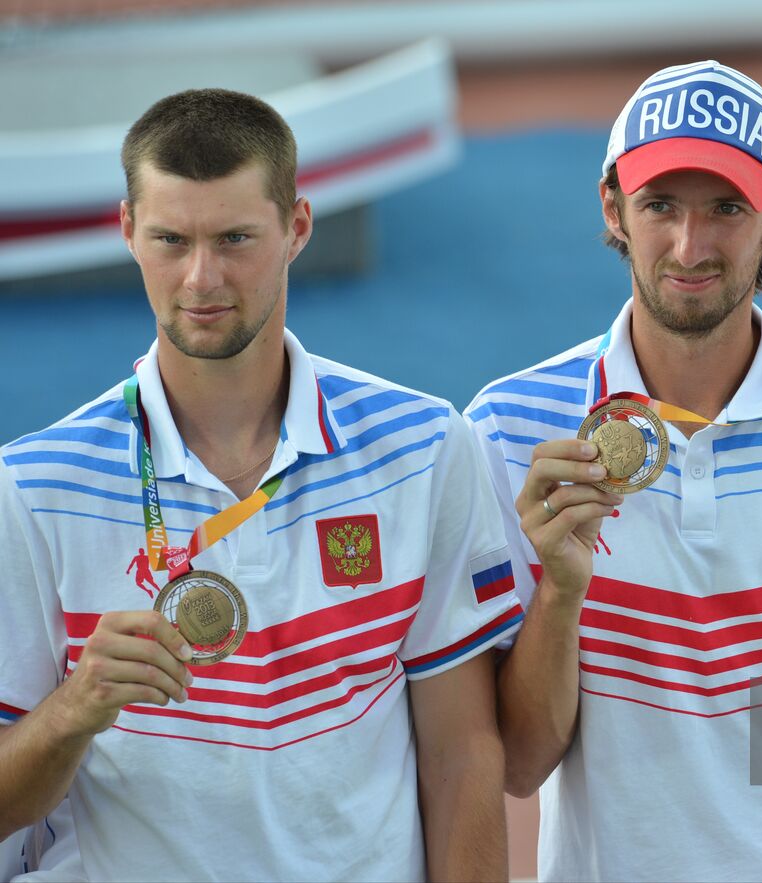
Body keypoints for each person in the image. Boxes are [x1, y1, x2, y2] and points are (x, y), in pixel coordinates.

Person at [0, 88, 521, 881]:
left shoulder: (424, 449)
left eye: (235, 238)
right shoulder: (35, 487)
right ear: (127, 232)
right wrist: (71, 712)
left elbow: (463, 755)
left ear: (298, 229)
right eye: (171, 239)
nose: (201, 278)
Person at [467, 60, 762, 881]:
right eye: (661, 206)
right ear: (613, 208)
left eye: (726, 208)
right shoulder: (510, 431)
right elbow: (517, 763)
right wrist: (558, 590)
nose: (690, 247)